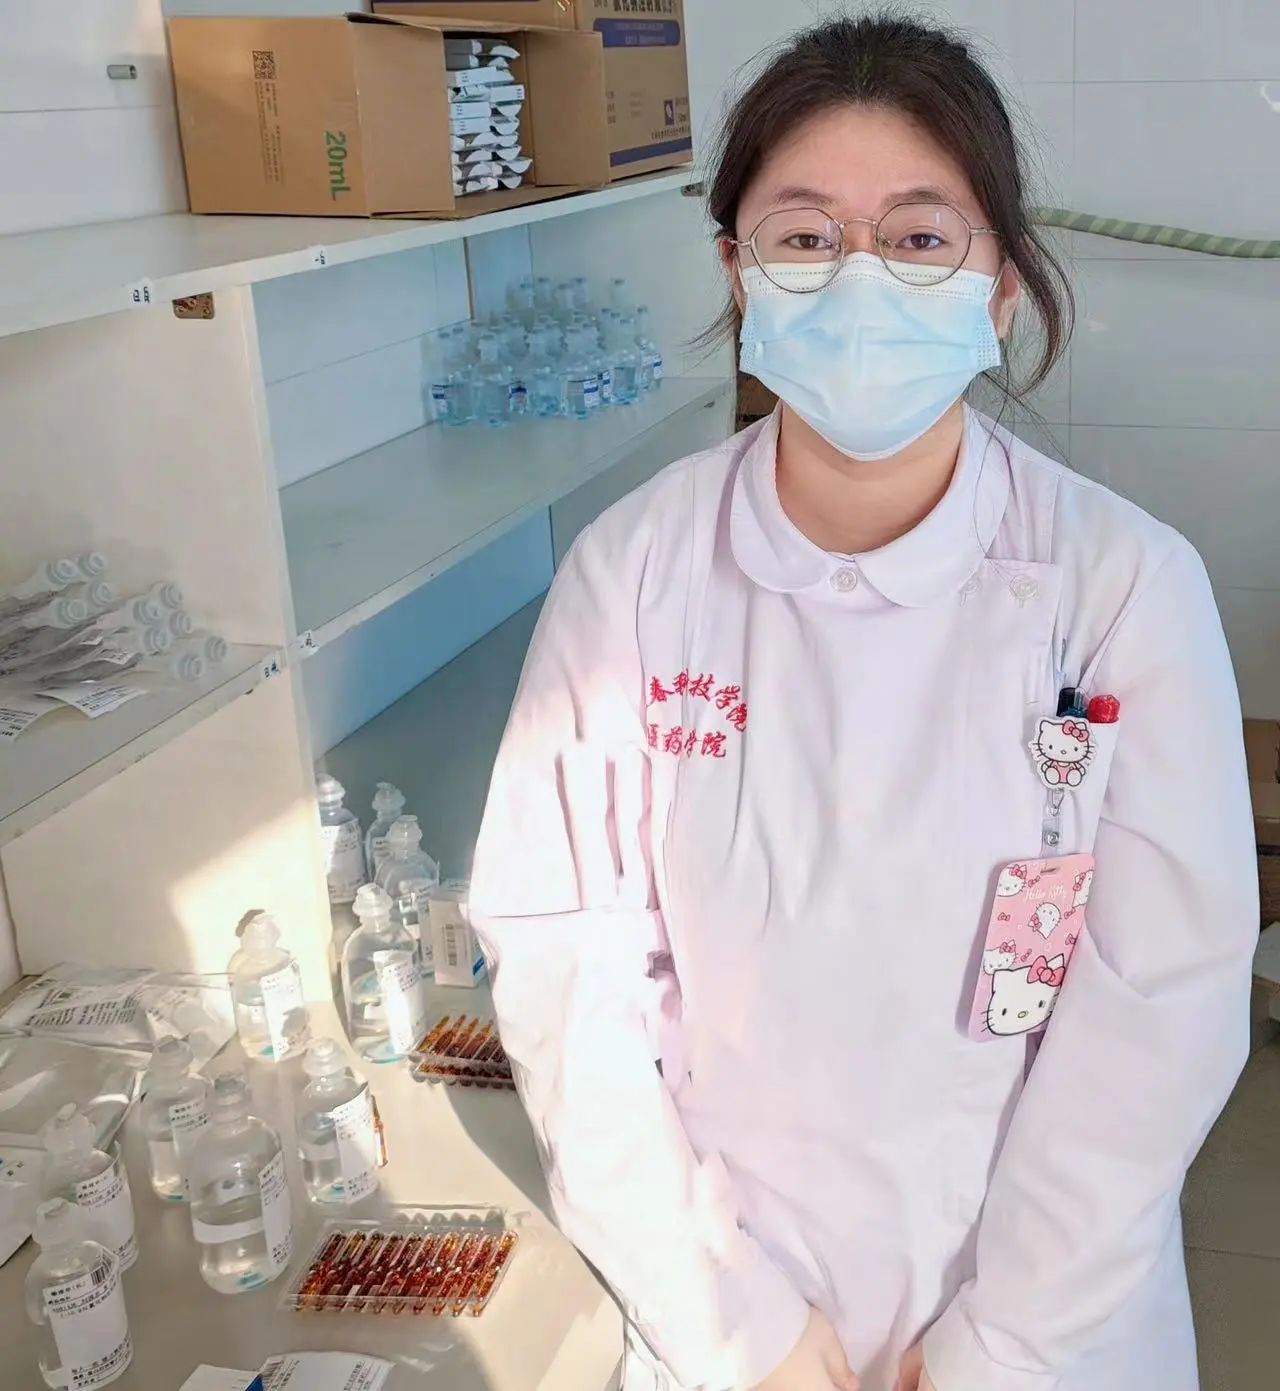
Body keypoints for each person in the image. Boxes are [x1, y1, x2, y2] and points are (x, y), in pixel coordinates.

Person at [470, 14, 1257, 1391]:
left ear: (998, 287)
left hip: (1047, 1312)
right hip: (726, 1287)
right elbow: (565, 964)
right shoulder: (635, 574)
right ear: (739, 273)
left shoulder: (1122, 584)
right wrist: (735, 1326)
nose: (859, 281)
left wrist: (1005, 1342)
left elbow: (1162, 1001)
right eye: (805, 236)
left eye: (918, 236)